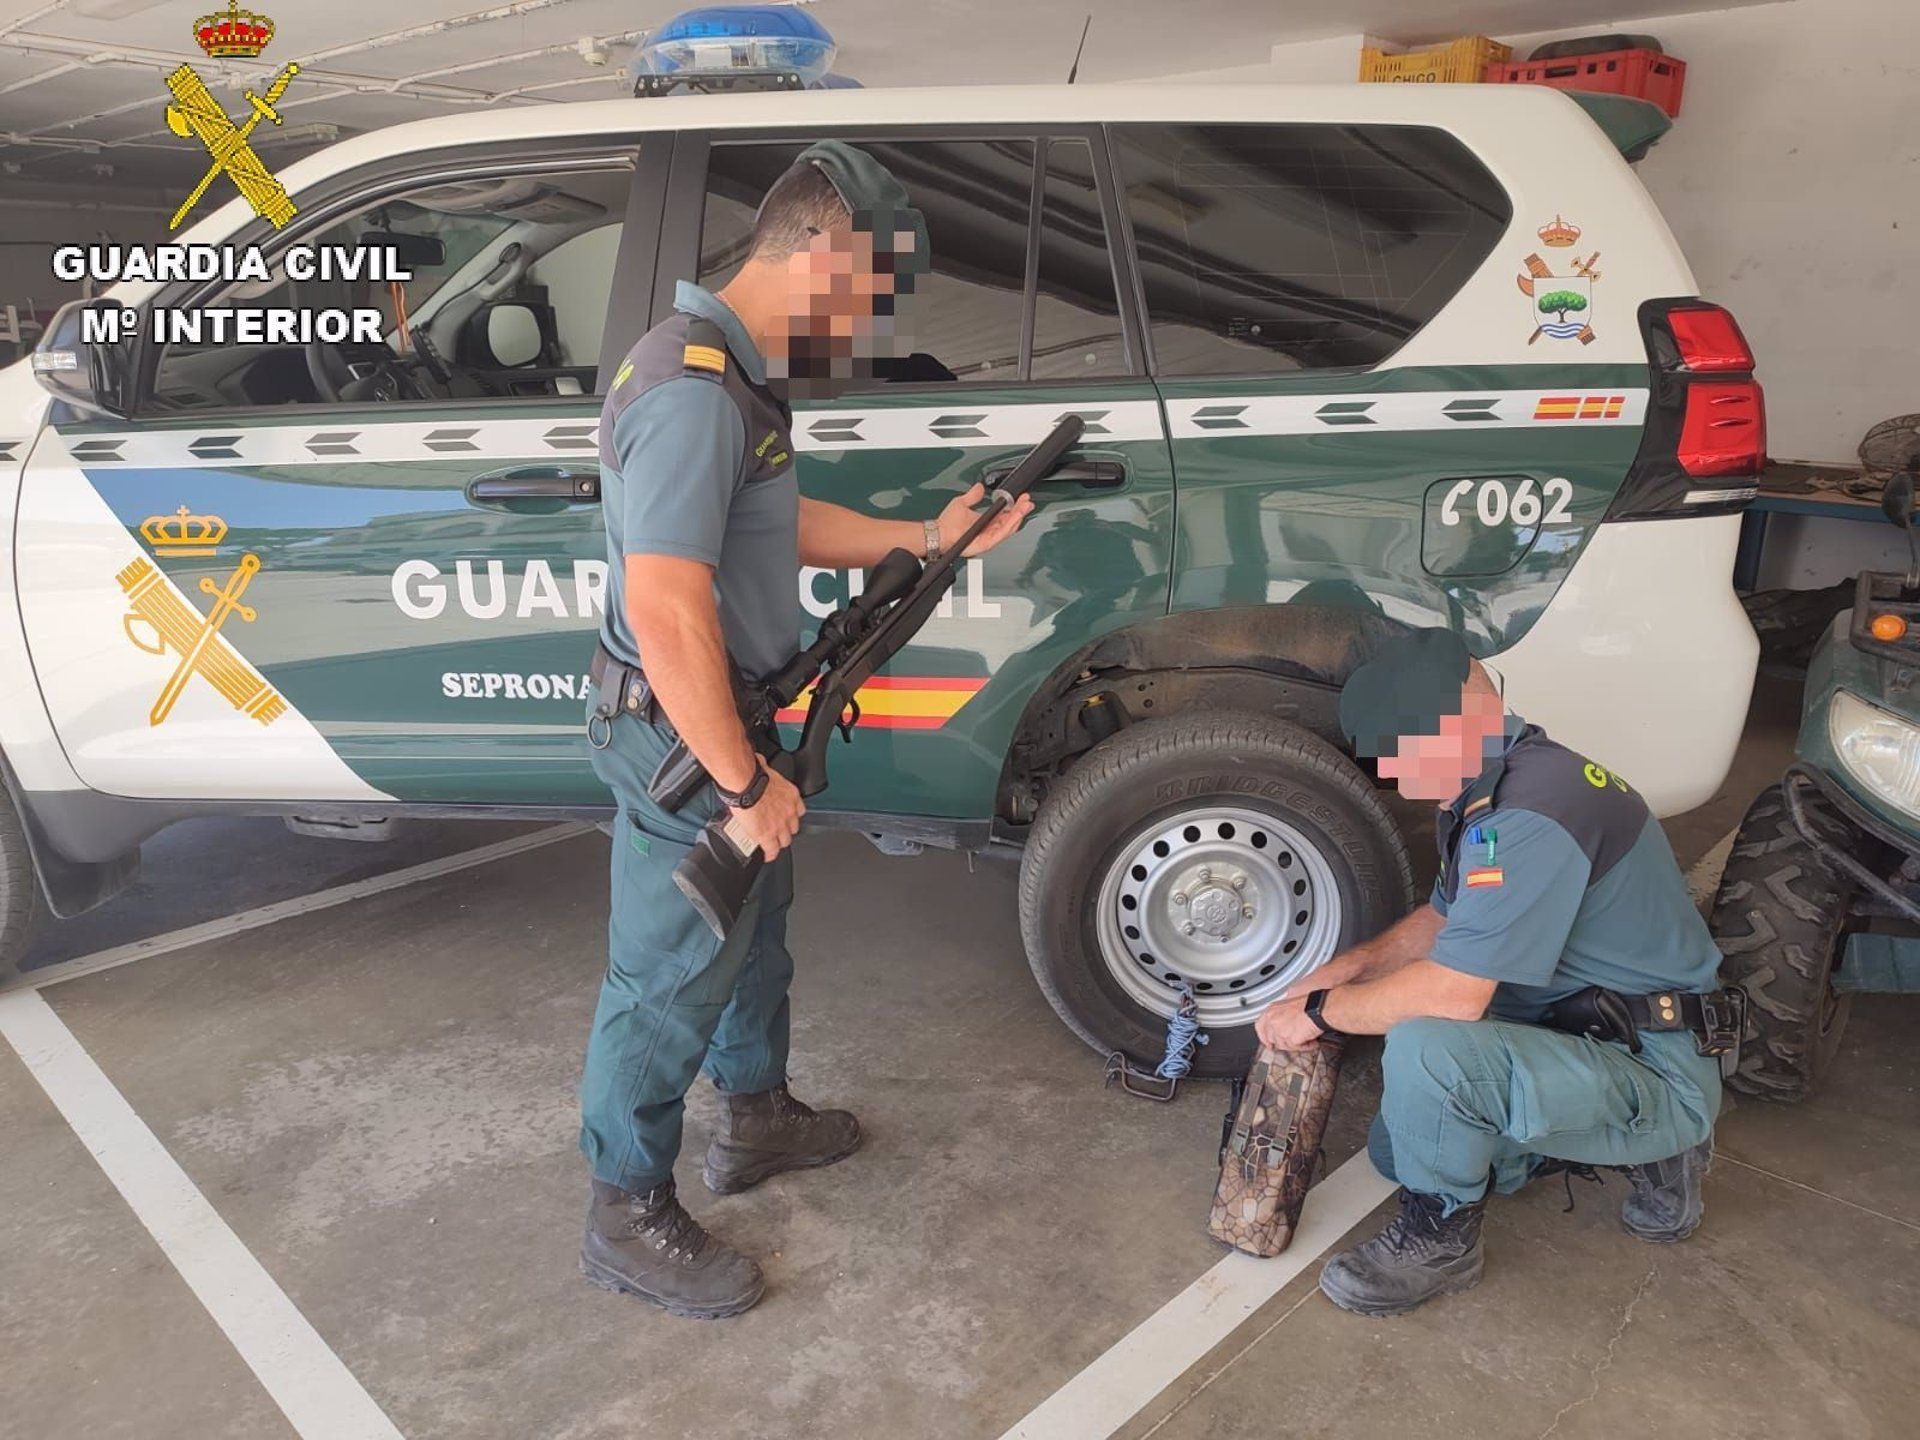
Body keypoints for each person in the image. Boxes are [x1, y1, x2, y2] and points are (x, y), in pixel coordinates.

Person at [577, 142, 1035, 1320]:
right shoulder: (688, 391)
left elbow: (763, 521)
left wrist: (921, 539)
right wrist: (739, 784)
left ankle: (757, 1119)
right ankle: (625, 1209)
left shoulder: (727, 373)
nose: (870, 324)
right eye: (874, 295)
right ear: (826, 254)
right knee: (671, 970)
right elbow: (667, 607)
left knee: (750, 936)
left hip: (733, 717)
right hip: (688, 740)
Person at [1256, 628, 1736, 1318]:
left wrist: (1317, 1011)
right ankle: (1558, 1141)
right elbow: (1447, 921)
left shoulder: (1536, 814)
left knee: (1429, 1045)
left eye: (1399, 752)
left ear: (1455, 725)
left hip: (1654, 1064)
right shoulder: (1498, 788)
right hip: (1585, 1027)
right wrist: (1348, 968)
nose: (1390, 774)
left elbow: (1454, 993)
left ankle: (1445, 1240)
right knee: (1398, 1149)